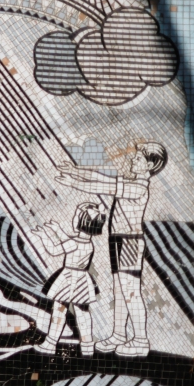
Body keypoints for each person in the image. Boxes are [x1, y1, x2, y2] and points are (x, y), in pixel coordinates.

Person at [56, 142, 166, 358]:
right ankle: (118, 334)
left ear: (150, 165)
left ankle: (140, 340)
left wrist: (73, 182)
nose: (132, 159)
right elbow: (101, 178)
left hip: (129, 242)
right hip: (117, 240)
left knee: (131, 291)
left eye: (138, 158)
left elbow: (103, 187)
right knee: (119, 290)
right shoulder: (132, 182)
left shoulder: (139, 188)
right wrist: (75, 171)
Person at [31, 202, 106, 357]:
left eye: (76, 216)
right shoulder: (88, 243)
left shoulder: (74, 242)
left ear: (80, 222)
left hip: (68, 278)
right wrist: (57, 230)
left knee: (59, 311)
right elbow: (69, 241)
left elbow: (54, 250)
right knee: (83, 313)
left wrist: (43, 235)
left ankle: (51, 343)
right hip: (82, 279)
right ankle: (87, 346)